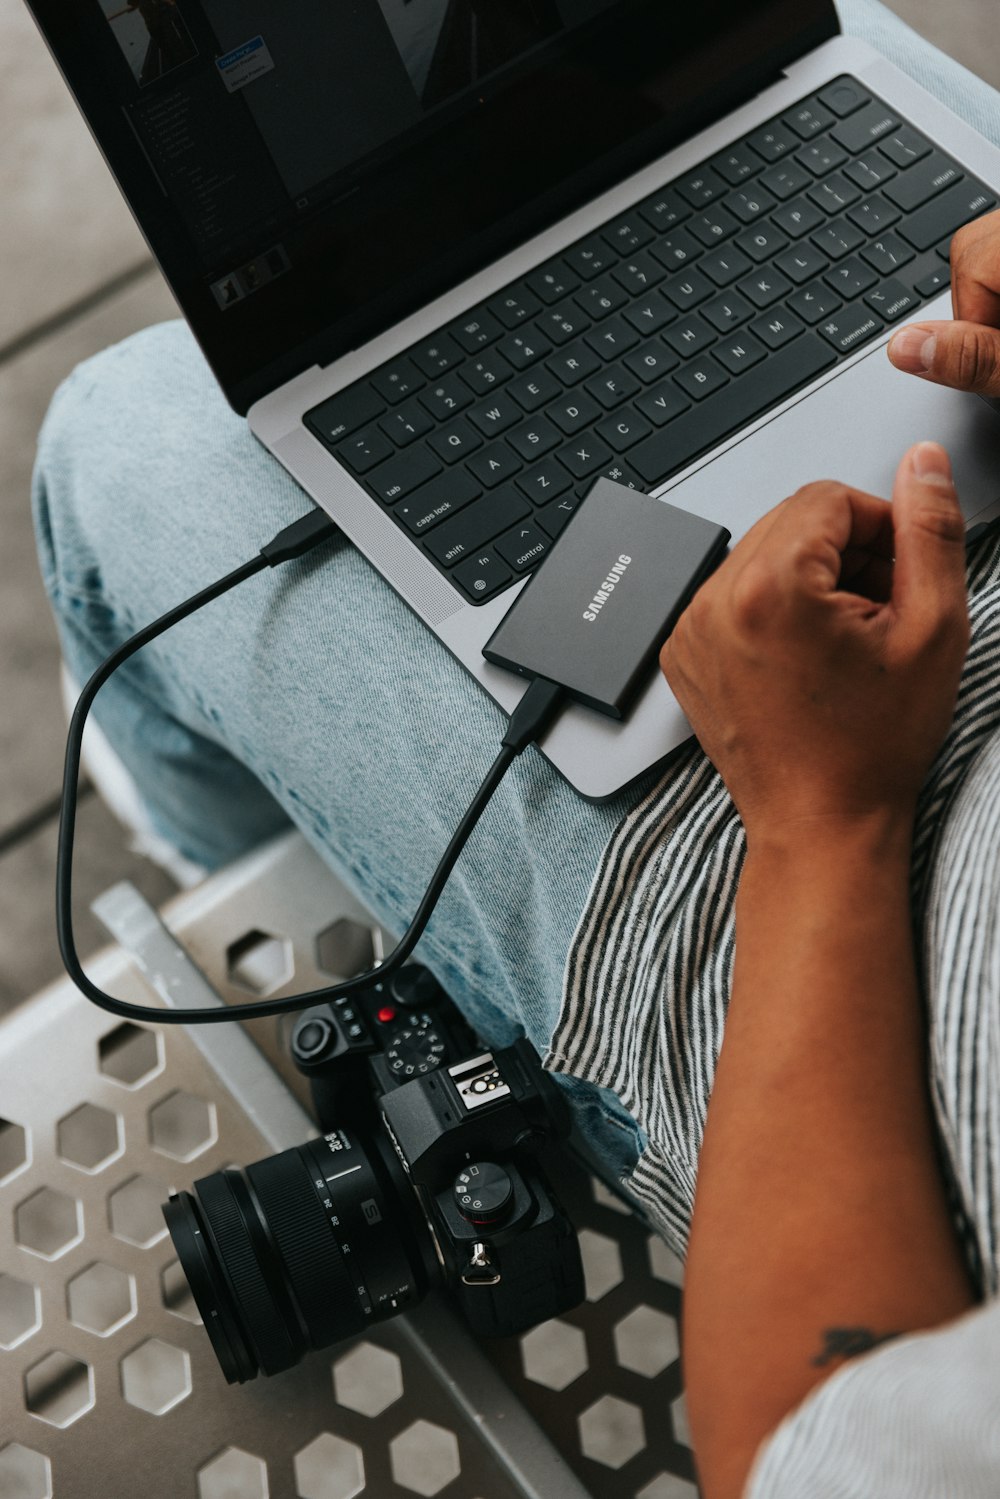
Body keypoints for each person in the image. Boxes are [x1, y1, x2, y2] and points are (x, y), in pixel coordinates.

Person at [30, 2, 1000, 1493]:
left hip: (776, 920)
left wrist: (823, 814)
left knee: (118, 427)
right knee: (799, 44)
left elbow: (806, 1449)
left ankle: (278, 876)